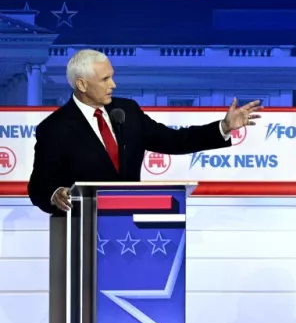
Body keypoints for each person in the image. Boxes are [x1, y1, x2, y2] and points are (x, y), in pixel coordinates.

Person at [27, 49, 261, 214]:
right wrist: (56, 193)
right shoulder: (54, 128)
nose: (113, 85)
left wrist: (224, 127)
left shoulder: (126, 111)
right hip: (82, 232)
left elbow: (174, 140)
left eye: (113, 76)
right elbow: (39, 187)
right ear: (82, 84)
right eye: (105, 79)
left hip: (132, 225)